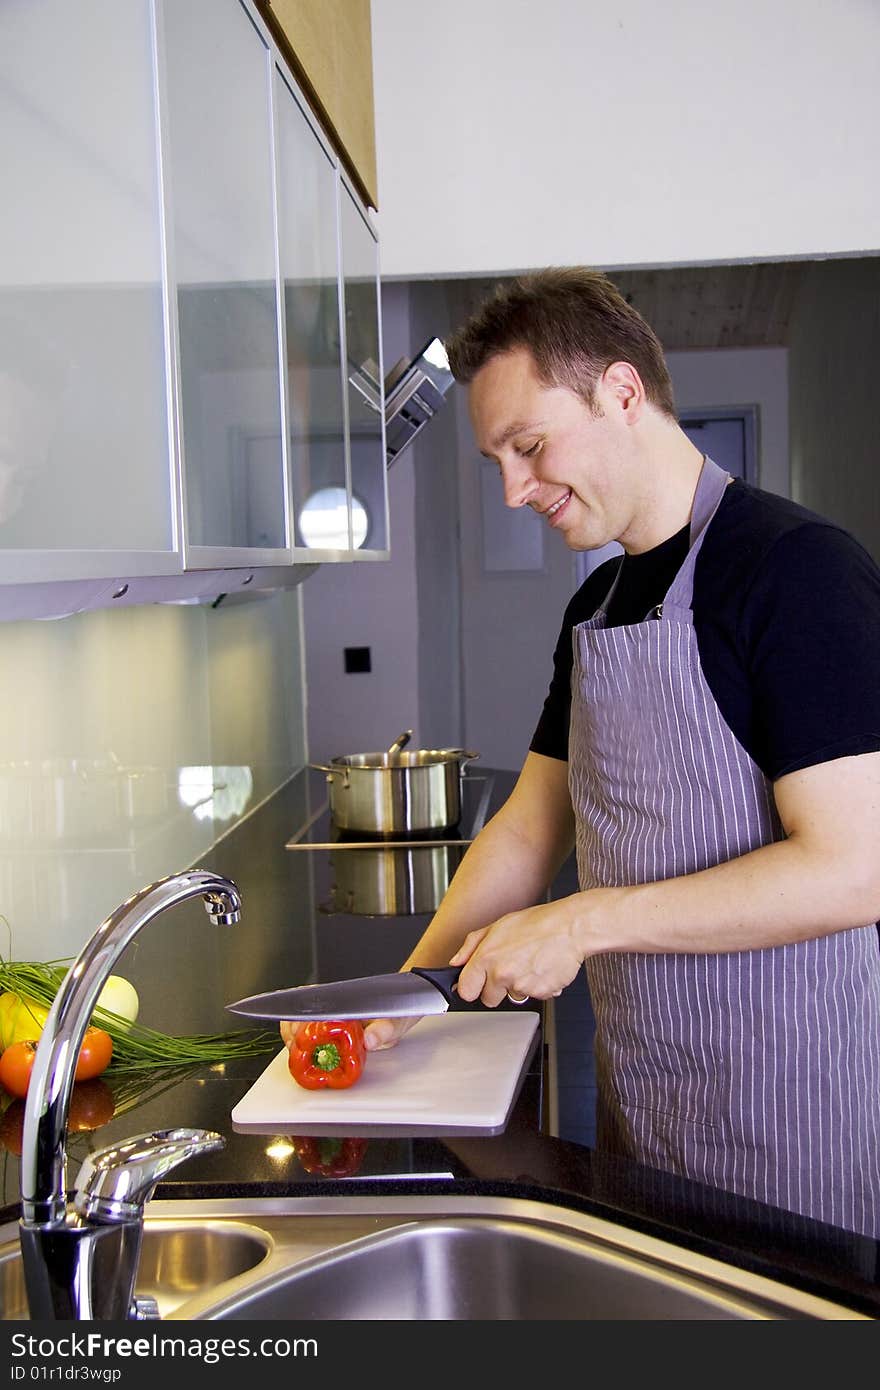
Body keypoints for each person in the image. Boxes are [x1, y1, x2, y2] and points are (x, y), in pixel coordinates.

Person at [283, 267, 880, 1239]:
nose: (514, 489)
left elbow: (856, 868)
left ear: (621, 392)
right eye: (498, 462)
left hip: (795, 1118)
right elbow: (526, 831)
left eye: (528, 446)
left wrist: (581, 922)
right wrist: (401, 998)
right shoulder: (591, 610)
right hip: (648, 1097)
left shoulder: (796, 570)